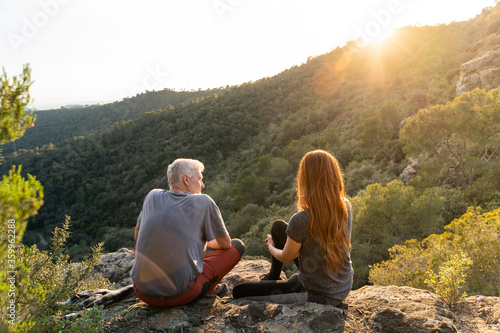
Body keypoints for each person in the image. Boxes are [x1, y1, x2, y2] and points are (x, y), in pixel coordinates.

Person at [232, 150, 353, 306]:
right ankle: (273, 277)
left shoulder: (301, 220)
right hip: (341, 285)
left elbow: (286, 258)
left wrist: (271, 247)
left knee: (239, 291)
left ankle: (281, 285)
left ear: (305, 179)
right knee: (278, 227)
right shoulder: (345, 206)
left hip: (317, 294)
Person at [130, 158, 244, 307]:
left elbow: (137, 236)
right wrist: (203, 239)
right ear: (186, 179)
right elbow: (225, 244)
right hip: (180, 295)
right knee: (237, 246)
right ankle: (209, 290)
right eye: (200, 179)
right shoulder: (204, 201)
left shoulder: (152, 196)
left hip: (142, 292)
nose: (202, 185)